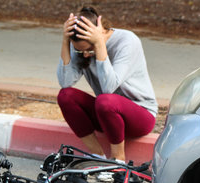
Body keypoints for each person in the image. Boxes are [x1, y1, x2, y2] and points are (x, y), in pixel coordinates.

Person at [56, 6, 158, 162]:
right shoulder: (80, 44)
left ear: (101, 30)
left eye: (88, 48)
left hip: (140, 116)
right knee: (65, 96)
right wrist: (65, 41)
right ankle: (97, 156)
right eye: (79, 50)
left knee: (105, 100)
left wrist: (98, 46)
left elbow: (109, 87)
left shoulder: (127, 41)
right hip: (106, 116)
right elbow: (65, 82)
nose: (84, 54)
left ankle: (118, 161)